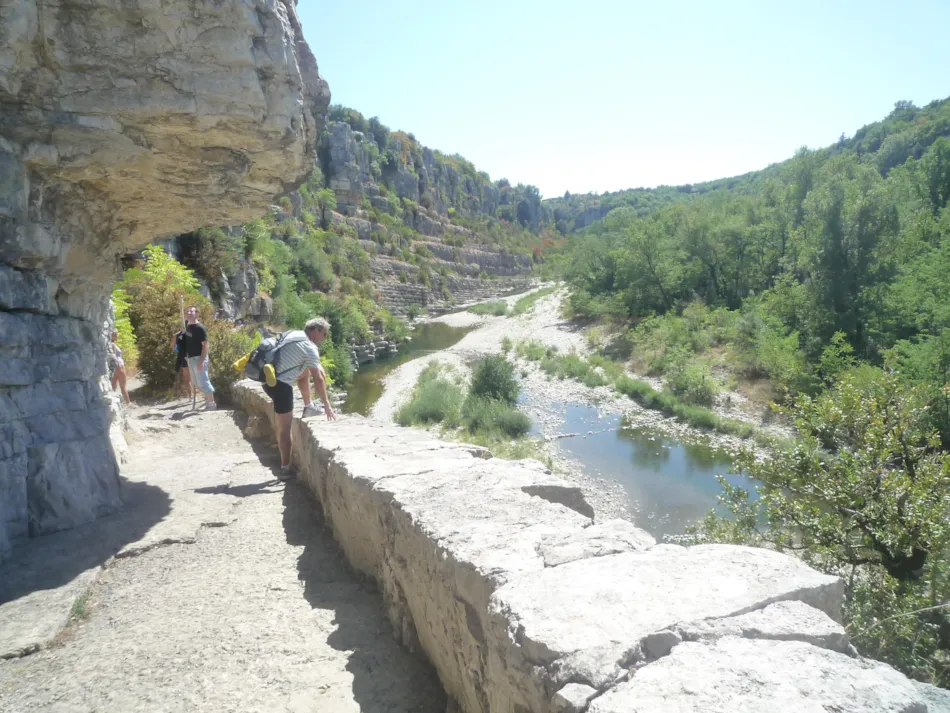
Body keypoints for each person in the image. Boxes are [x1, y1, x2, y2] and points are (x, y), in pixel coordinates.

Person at [263, 316, 336, 480]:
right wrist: (327, 405)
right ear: (316, 331)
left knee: (304, 372)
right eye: (324, 334)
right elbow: (319, 379)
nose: (324, 339)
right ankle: (285, 468)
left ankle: (308, 405)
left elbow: (312, 371)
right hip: (281, 386)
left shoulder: (294, 335)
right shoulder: (309, 347)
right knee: (285, 427)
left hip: (267, 381)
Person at [184, 306, 216, 410]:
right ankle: (208, 401)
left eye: (191, 311)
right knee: (196, 382)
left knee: (204, 381)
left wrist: (201, 361)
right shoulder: (187, 326)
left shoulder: (200, 328)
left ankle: (211, 404)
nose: (189, 313)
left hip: (199, 358)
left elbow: (206, 345)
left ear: (197, 313)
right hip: (191, 358)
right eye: (187, 311)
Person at [109, 330, 132, 405]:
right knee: (123, 386)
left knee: (113, 386)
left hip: (114, 368)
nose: (117, 336)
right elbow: (114, 356)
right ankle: (128, 403)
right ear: (112, 336)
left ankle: (114, 403)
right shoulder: (112, 344)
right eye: (116, 334)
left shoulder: (110, 344)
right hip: (119, 366)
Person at [170, 328, 192, 398]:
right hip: (193, 356)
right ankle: (192, 395)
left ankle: (191, 396)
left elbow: (172, 346)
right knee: (194, 377)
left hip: (183, 357)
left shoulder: (177, 335)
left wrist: (178, 349)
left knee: (187, 378)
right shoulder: (192, 333)